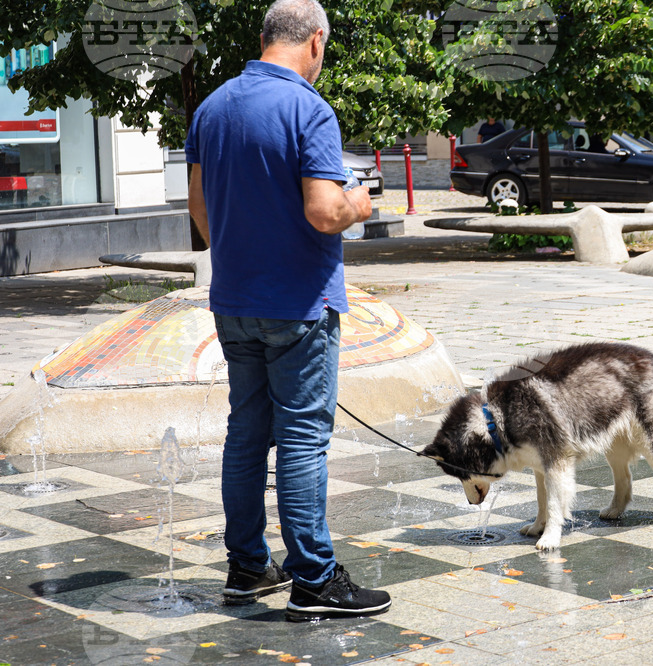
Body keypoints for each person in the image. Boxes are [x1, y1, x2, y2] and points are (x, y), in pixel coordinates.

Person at [185, 0, 390, 622]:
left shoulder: (213, 107)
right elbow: (325, 212)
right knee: (302, 440)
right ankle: (314, 581)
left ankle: (248, 567)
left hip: (234, 302)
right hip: (299, 305)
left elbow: (201, 215)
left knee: (246, 436)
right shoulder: (308, 108)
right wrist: (362, 203)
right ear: (316, 41)